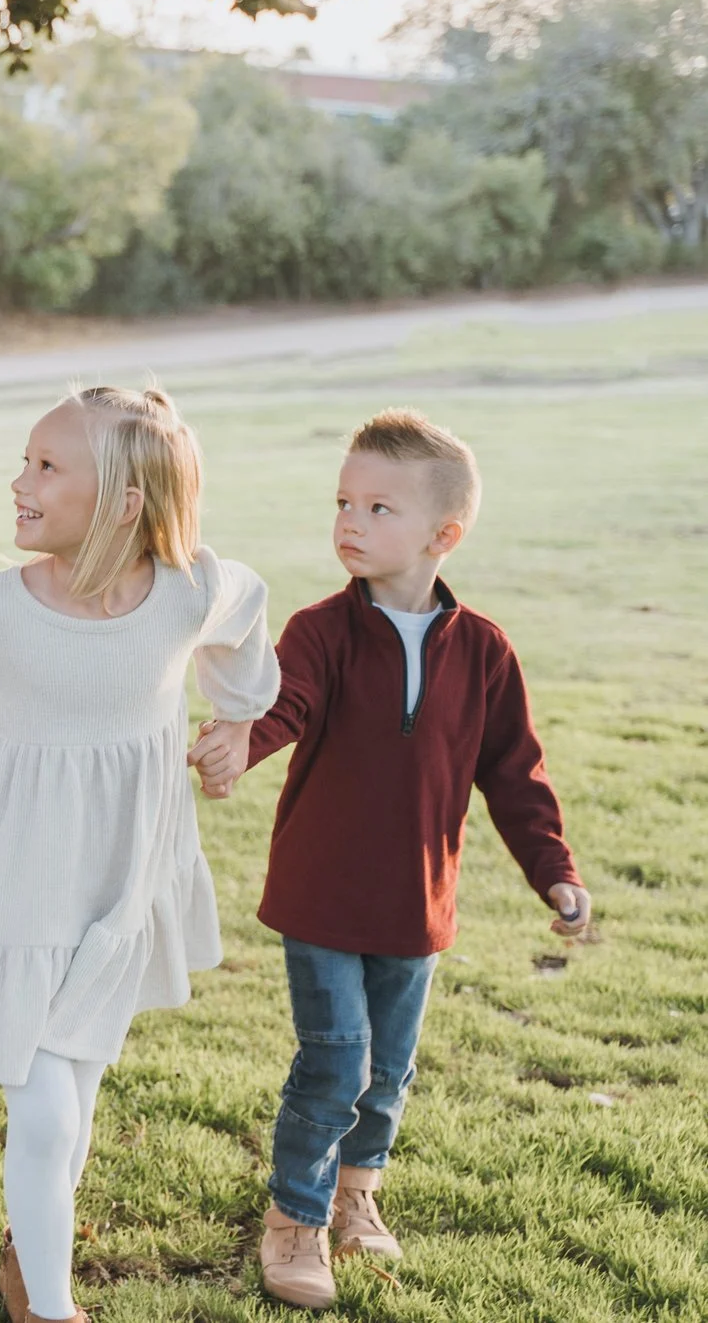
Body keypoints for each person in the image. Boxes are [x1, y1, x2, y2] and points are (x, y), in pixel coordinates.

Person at [0, 386, 279, 1323]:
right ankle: (51, 1302)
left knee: (72, 1087)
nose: (19, 481)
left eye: (46, 466)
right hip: (17, 878)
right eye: (24, 460)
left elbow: (248, 608)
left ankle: (28, 1251)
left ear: (122, 500)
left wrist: (237, 717)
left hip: (121, 882)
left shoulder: (186, 590)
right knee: (42, 1106)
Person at [191, 409, 590, 1311]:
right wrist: (238, 743)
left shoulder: (483, 650)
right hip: (321, 895)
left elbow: (514, 771)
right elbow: (282, 704)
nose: (349, 522)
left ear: (445, 534)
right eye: (343, 501)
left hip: (418, 907)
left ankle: (355, 1194)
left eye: (377, 507)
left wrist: (554, 867)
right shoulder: (321, 630)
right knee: (335, 1060)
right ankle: (294, 1214)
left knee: (389, 1068)